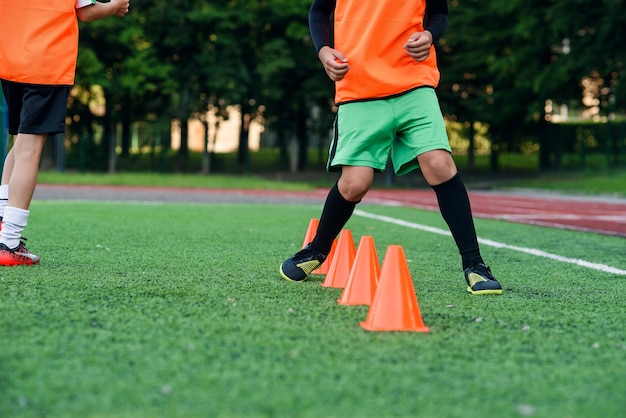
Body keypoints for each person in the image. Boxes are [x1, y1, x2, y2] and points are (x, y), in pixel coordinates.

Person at [279, 0, 502, 295]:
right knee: (355, 184)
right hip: (358, 86)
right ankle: (317, 250)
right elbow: (318, 10)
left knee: (439, 164)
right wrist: (323, 50)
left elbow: (439, 12)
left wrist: (430, 35)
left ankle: (475, 264)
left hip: (414, 82)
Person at [0, 0, 130, 266]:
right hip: (45, 64)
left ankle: (3, 223)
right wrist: (114, 7)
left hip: (9, 61)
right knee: (29, 148)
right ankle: (9, 242)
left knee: (20, 143)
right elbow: (86, 12)